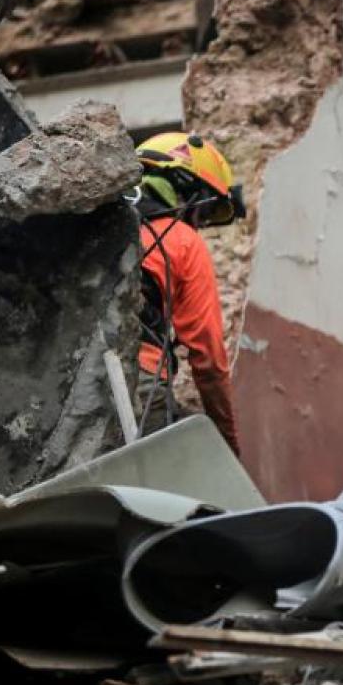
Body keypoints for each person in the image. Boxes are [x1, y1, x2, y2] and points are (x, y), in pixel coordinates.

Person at [131, 132, 245, 454]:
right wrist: (228, 445)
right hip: (140, 387)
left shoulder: (98, 219)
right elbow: (207, 357)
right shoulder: (182, 240)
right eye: (204, 214)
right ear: (188, 193)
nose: (199, 224)